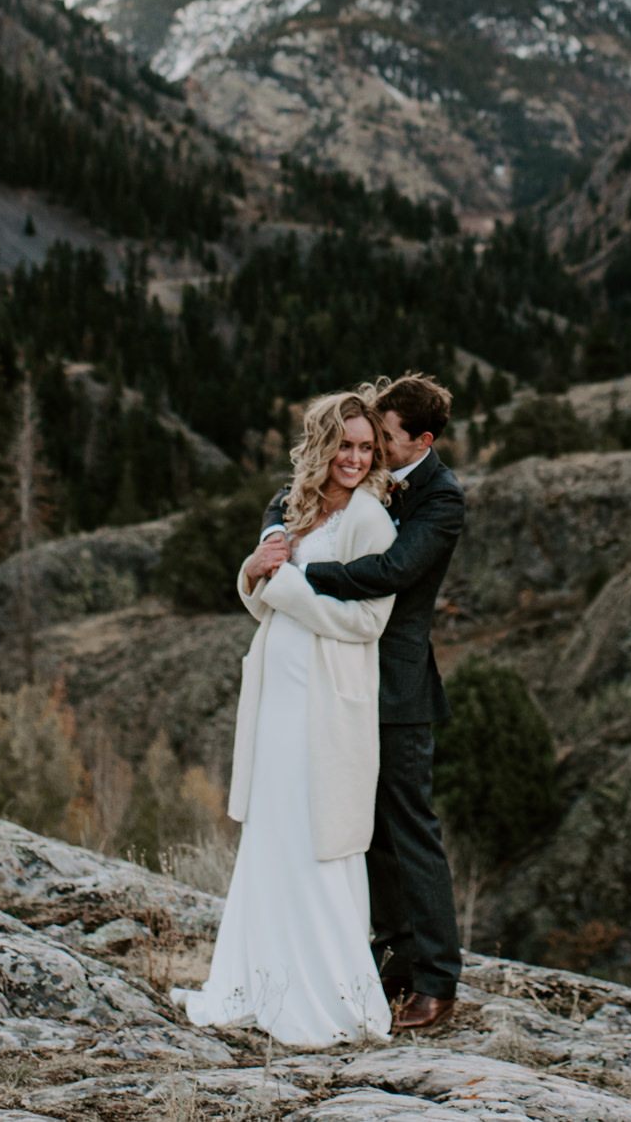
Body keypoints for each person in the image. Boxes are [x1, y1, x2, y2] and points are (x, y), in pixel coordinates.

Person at [174, 390, 399, 1047]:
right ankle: (256, 983)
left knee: (317, 830)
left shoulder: (370, 521)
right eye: (345, 445)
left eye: (366, 447)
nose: (356, 458)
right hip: (277, 696)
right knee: (273, 828)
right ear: (322, 446)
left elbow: (368, 621)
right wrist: (253, 572)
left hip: (327, 701)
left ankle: (330, 999)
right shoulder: (295, 509)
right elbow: (263, 598)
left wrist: (291, 588)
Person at [247, 372, 463, 1033]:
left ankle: (437, 981)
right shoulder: (369, 476)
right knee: (363, 833)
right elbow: (294, 495)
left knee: (410, 829)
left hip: (395, 685)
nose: (375, 453)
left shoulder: (441, 498)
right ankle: (390, 960)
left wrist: (301, 571)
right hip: (338, 681)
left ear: (421, 440)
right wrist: (276, 536)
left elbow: (393, 571)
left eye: (386, 439)